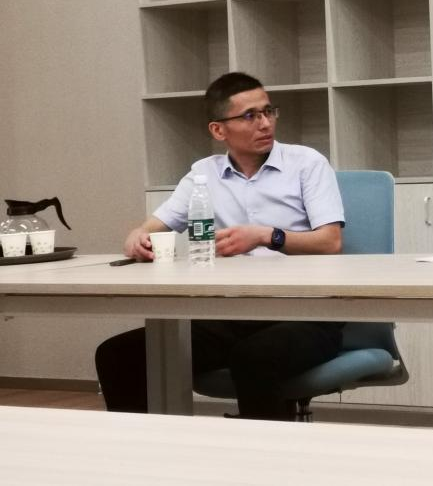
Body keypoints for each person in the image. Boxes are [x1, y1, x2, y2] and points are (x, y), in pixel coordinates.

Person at [95, 72, 346, 420]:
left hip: (306, 314)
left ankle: (265, 453)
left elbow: (331, 242)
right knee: (118, 354)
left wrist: (265, 236)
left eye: (268, 111)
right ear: (218, 130)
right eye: (250, 116)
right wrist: (137, 237)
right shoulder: (203, 173)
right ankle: (146, 450)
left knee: (254, 356)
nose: (265, 123)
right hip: (232, 314)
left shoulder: (307, 163)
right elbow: (154, 226)